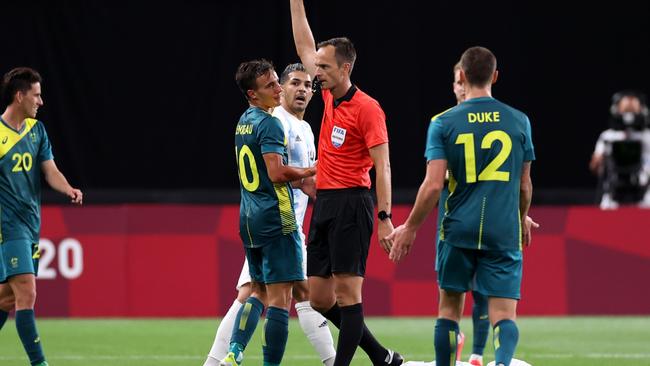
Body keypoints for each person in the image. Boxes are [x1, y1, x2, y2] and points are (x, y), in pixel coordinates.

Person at [388, 47, 535, 366]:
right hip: (502, 230)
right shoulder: (519, 121)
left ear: (461, 76)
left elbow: (433, 184)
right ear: (495, 76)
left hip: (457, 228)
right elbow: (524, 186)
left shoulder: (443, 122)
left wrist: (411, 226)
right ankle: (502, 362)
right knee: (503, 314)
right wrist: (520, 217)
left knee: (449, 310)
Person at [289, 1, 402, 365]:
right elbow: (304, 45)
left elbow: (383, 166)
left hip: (353, 205)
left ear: (345, 68)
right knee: (319, 298)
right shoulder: (327, 94)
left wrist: (385, 216)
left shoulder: (368, 109)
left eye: (323, 66)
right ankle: (382, 357)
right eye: (317, 65)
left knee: (350, 296)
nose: (315, 71)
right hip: (325, 205)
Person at [204, 63, 335, 366]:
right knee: (272, 297)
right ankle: (221, 361)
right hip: (279, 218)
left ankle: (231, 354)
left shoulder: (262, 122)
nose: (298, 89)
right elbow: (279, 172)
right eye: (290, 84)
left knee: (294, 293)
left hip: (256, 218)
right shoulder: (276, 120)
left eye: (307, 85)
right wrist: (314, 172)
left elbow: (297, 180)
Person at [0, 67, 83, 366]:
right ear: (19, 95)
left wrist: (68, 188)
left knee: (7, 298)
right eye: (36, 95)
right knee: (27, 291)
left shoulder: (37, 131)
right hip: (7, 228)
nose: (41, 101)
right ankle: (40, 363)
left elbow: (50, 171)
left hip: (30, 225)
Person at [589, 91, 650, 209]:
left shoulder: (647, 137)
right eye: (626, 108)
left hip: (644, 196)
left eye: (633, 108)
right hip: (613, 196)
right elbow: (595, 168)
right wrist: (598, 161)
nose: (629, 112)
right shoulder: (608, 137)